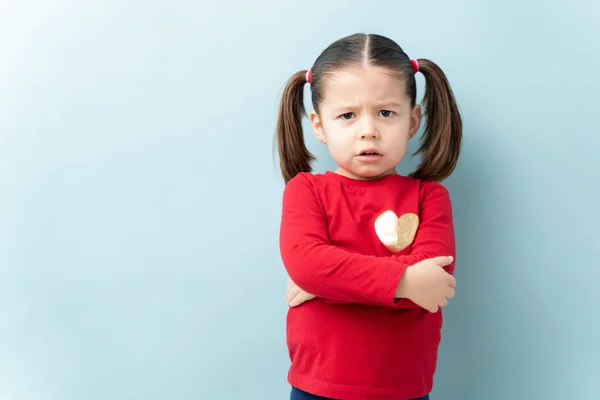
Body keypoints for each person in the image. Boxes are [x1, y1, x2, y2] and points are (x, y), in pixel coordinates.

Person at [276, 33, 462, 400]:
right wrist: (403, 279)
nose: (368, 130)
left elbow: (432, 286)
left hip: (403, 387)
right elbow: (307, 265)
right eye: (347, 115)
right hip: (318, 386)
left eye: (386, 113)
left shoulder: (429, 198)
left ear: (412, 120)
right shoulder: (305, 191)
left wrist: (328, 284)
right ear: (318, 126)